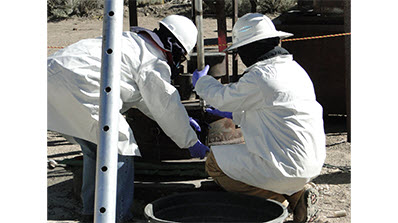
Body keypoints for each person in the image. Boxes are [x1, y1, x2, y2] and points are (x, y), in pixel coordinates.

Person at [48, 15, 209, 222]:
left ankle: (90, 214)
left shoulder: (133, 43)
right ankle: (118, 217)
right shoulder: (153, 60)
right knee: (119, 148)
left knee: (94, 151)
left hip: (52, 77)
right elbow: (165, 105)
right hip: (81, 86)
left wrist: (184, 120)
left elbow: (145, 100)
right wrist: (190, 140)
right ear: (177, 48)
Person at [192, 13, 326, 223]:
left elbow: (221, 98)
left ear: (249, 49)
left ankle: (276, 203)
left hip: (286, 167)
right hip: (311, 163)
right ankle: (298, 194)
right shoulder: (296, 70)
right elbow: (266, 108)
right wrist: (233, 113)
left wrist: (202, 83)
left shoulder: (261, 76)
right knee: (248, 148)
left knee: (214, 162)